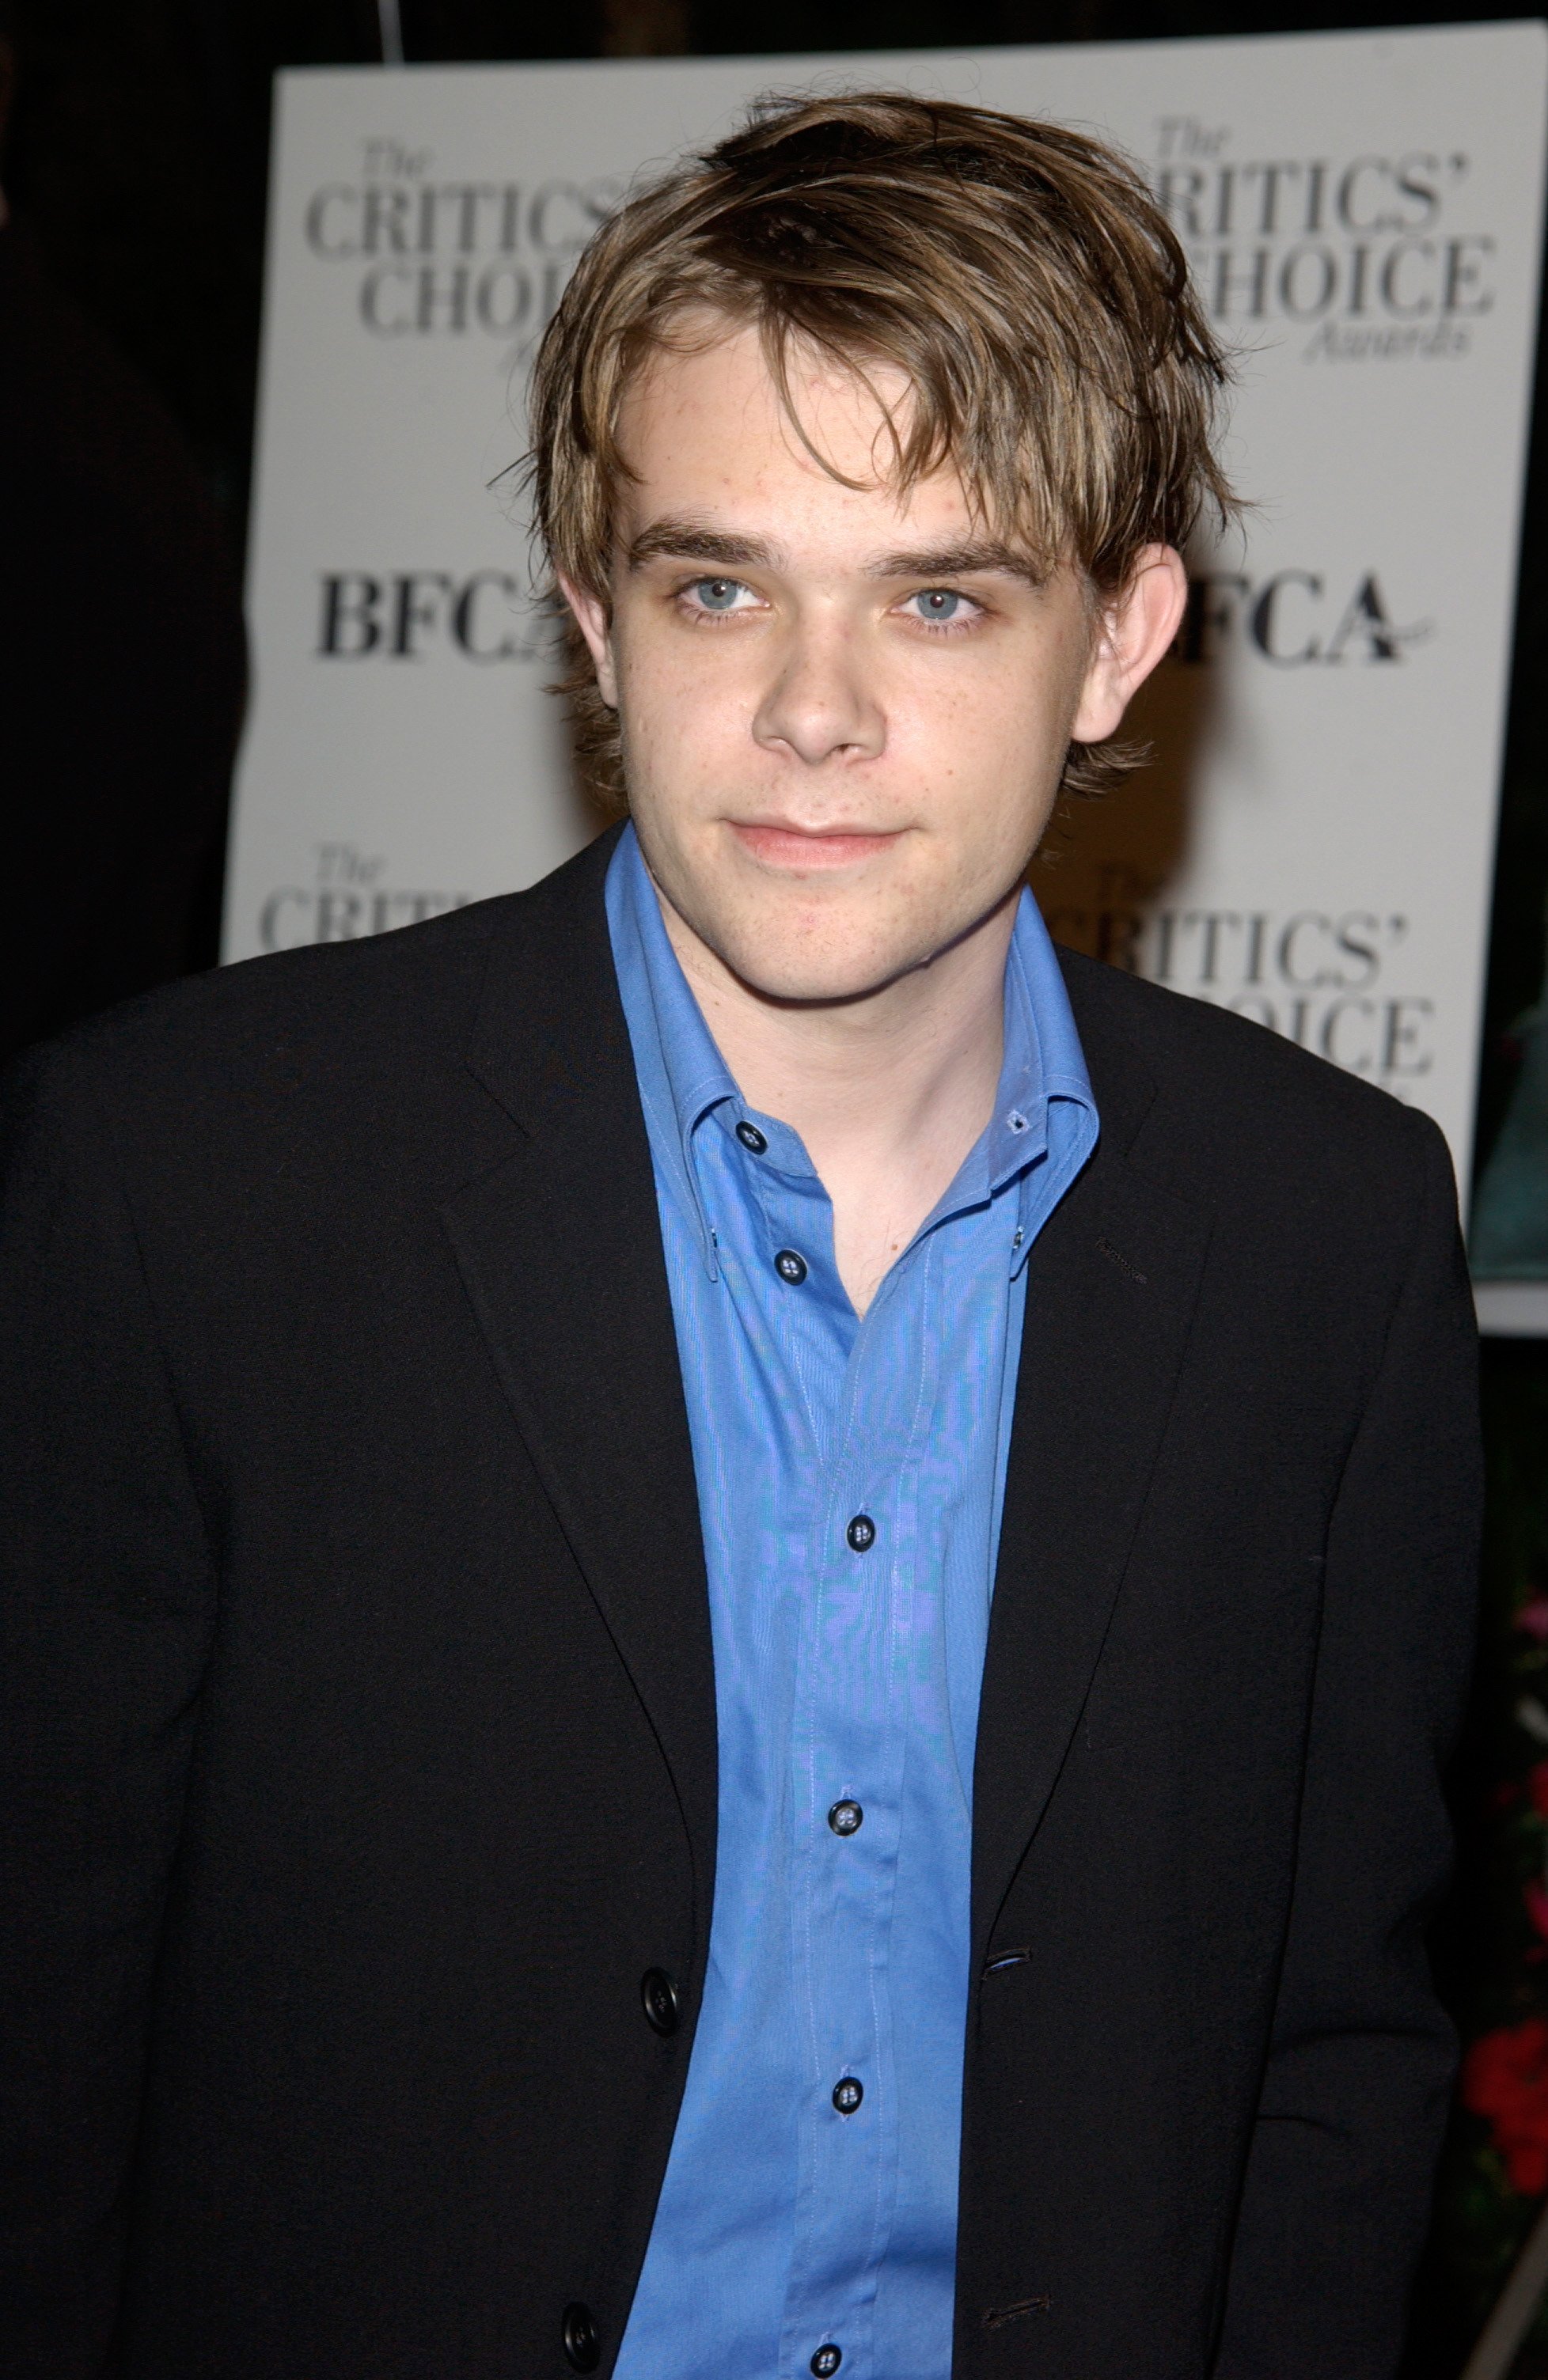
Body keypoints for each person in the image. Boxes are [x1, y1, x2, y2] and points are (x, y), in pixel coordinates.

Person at [0, 92, 1479, 2380]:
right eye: (718, 585)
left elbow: (1331, 2048)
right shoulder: (184, 1184)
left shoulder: (1330, 1234)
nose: (809, 712)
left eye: (940, 595)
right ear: (594, 622)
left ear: (1116, 646)